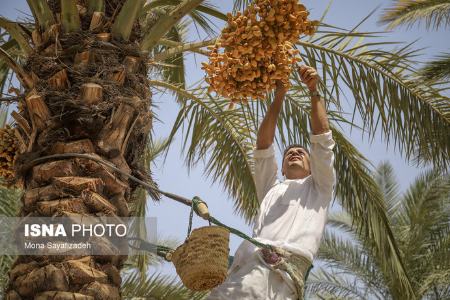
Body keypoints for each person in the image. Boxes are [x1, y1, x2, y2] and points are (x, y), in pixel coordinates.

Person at [207, 65, 336, 300]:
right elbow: (263, 145)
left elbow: (322, 139)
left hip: (279, 276)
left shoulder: (320, 188)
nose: (295, 153)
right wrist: (279, 95)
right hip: (248, 273)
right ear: (282, 169)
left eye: (301, 152)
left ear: (312, 165)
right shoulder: (271, 189)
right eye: (289, 153)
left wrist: (314, 91)